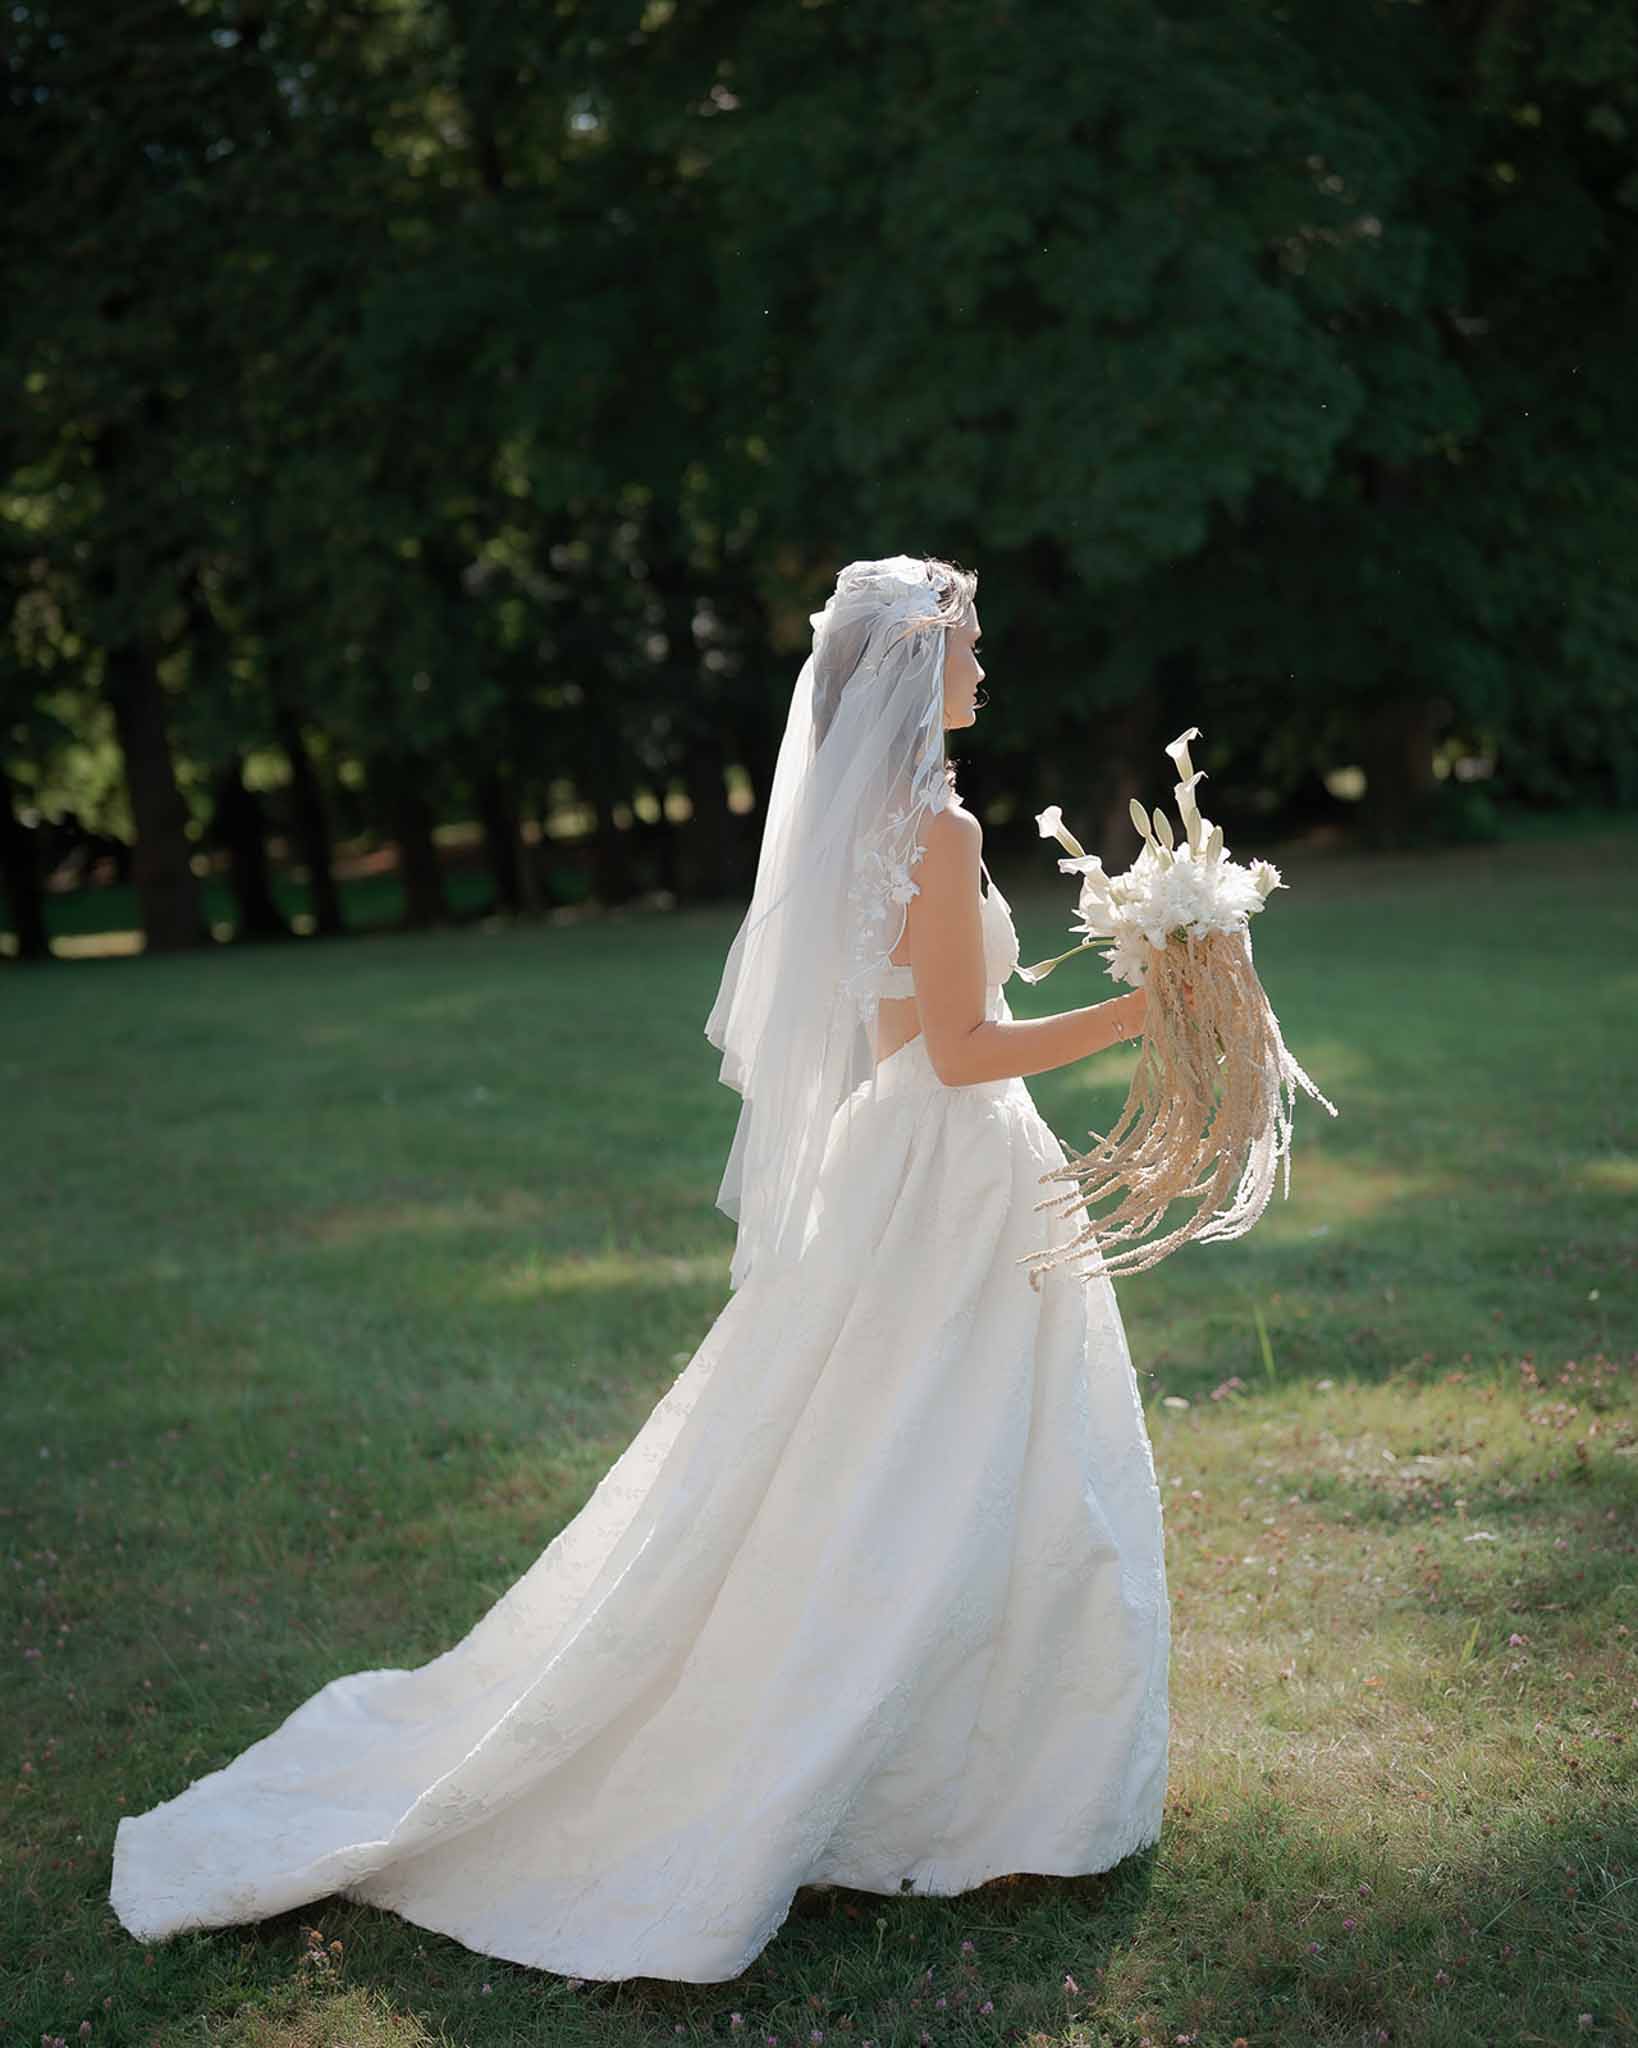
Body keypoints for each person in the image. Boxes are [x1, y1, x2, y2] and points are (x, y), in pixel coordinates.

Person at [108, 553, 1169, 1985]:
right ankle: (957, 1770)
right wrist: (1145, 1009)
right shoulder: (939, 828)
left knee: (888, 1452)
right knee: (957, 1451)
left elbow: (909, 1032)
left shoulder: (867, 820)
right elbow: (966, 1049)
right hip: (950, 1166)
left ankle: (958, 1758)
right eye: (970, 647)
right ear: (922, 665)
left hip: (898, 1156)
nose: (983, 668)